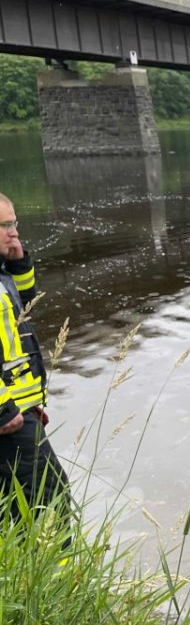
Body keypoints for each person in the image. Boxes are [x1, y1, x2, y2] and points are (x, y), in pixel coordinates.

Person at [0, 193, 69, 524]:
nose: (14, 233)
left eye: (14, 223)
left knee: (17, 507)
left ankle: (24, 573)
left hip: (18, 411)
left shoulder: (2, 271)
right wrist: (4, 409)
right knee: (52, 500)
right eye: (4, 225)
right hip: (8, 420)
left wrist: (17, 264)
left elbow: (23, 304)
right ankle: (60, 575)